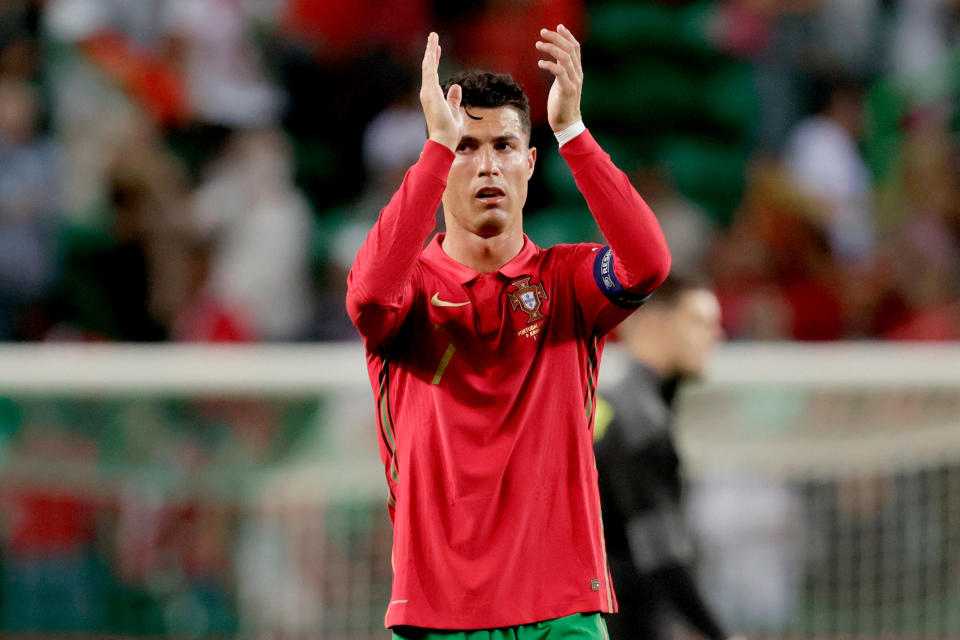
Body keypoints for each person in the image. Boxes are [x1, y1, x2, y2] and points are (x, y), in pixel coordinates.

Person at [346, 27, 671, 639]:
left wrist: (573, 133)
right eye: (466, 146)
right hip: (437, 615)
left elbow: (649, 263)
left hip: (562, 611)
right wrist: (433, 151)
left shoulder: (569, 282)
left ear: (528, 161)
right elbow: (365, 299)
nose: (488, 164)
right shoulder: (407, 290)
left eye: (504, 144)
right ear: (440, 161)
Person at [593, 276, 736, 640]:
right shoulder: (642, 423)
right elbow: (660, 555)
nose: (715, 336)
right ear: (655, 324)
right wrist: (720, 634)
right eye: (700, 322)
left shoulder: (612, 406)